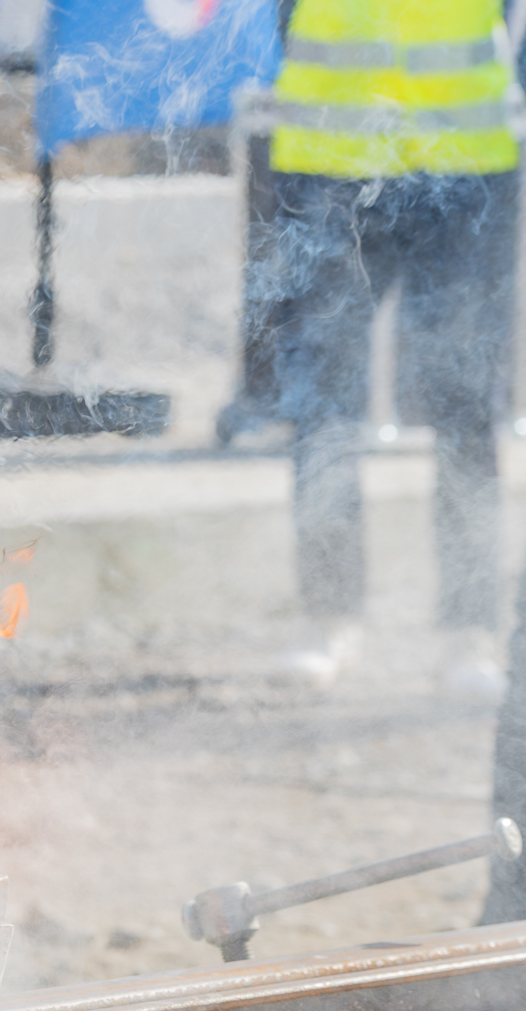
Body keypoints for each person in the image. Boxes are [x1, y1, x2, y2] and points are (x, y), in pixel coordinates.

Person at [265, 0, 525, 692]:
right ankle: (327, 618)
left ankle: (470, 632)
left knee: (465, 401)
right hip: (330, 161)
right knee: (323, 399)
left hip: (466, 164)